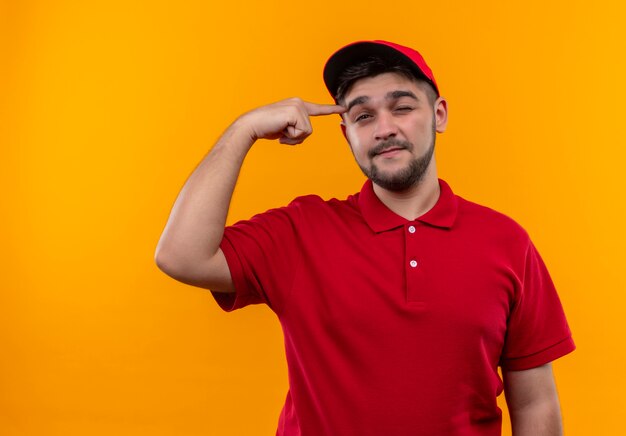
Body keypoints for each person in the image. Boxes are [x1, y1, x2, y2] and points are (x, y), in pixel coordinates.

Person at [155, 40, 575, 435]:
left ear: (440, 115)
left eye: (402, 107)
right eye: (362, 116)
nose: (384, 129)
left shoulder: (506, 241)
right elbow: (181, 256)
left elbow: (535, 402)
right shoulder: (302, 230)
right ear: (346, 134)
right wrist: (243, 130)